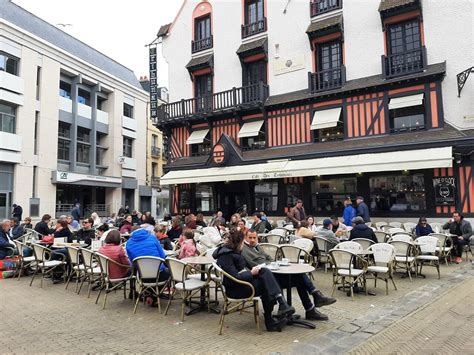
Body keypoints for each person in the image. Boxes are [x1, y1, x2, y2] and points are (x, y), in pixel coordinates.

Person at [241, 231, 336, 321]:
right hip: (265, 278)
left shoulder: (258, 247)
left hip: (273, 272)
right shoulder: (245, 249)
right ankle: (311, 304)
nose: (252, 240)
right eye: (250, 238)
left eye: (254, 237)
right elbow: (253, 264)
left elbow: (268, 257)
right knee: (299, 278)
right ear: (245, 238)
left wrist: (273, 263)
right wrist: (269, 264)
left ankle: (312, 304)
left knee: (299, 276)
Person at [213, 229, 295, 332]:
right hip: (235, 290)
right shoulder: (226, 256)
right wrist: (251, 273)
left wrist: (254, 271)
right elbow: (234, 277)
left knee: (265, 273)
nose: (244, 244)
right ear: (238, 242)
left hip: (240, 284)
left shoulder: (232, 252)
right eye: (243, 242)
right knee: (266, 284)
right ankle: (271, 319)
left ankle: (281, 304)